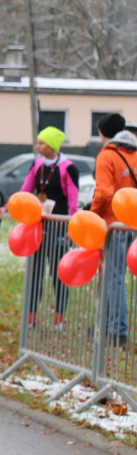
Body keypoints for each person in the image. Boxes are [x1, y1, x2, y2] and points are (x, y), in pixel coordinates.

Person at [20, 126, 79, 327]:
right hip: (37, 226)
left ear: (53, 145)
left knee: (58, 272)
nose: (38, 146)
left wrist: (72, 226)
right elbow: (26, 190)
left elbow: (73, 199)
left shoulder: (68, 167)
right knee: (35, 272)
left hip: (59, 227)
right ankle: (31, 317)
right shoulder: (36, 164)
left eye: (42, 143)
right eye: (38, 142)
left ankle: (59, 318)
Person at [91, 112, 137, 347]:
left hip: (114, 225)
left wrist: (92, 216)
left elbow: (104, 192)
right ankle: (109, 325)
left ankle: (116, 330)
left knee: (114, 278)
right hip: (133, 225)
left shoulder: (106, 155)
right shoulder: (135, 153)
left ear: (102, 133)